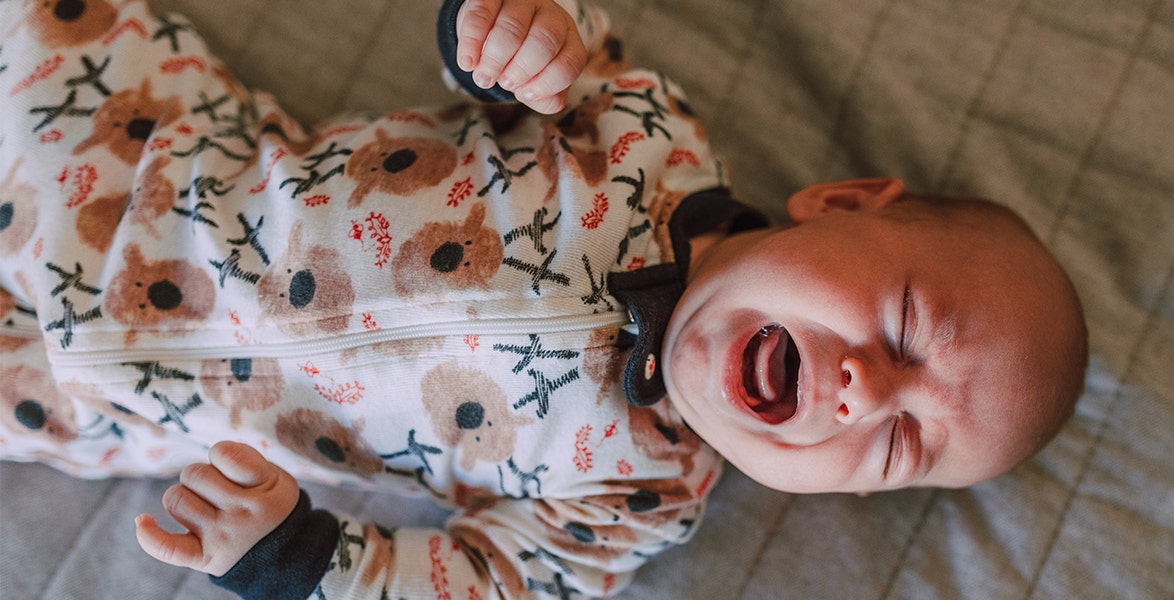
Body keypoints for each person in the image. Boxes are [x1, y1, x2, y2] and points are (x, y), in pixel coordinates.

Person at [0, 0, 1087, 597]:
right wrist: (506, 38)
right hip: (134, 147)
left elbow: (470, 586)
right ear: (843, 202)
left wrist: (294, 560)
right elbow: (556, 47)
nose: (859, 389)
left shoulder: (634, 502)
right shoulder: (646, 143)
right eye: (900, 329)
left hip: (105, 393)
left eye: (896, 442)